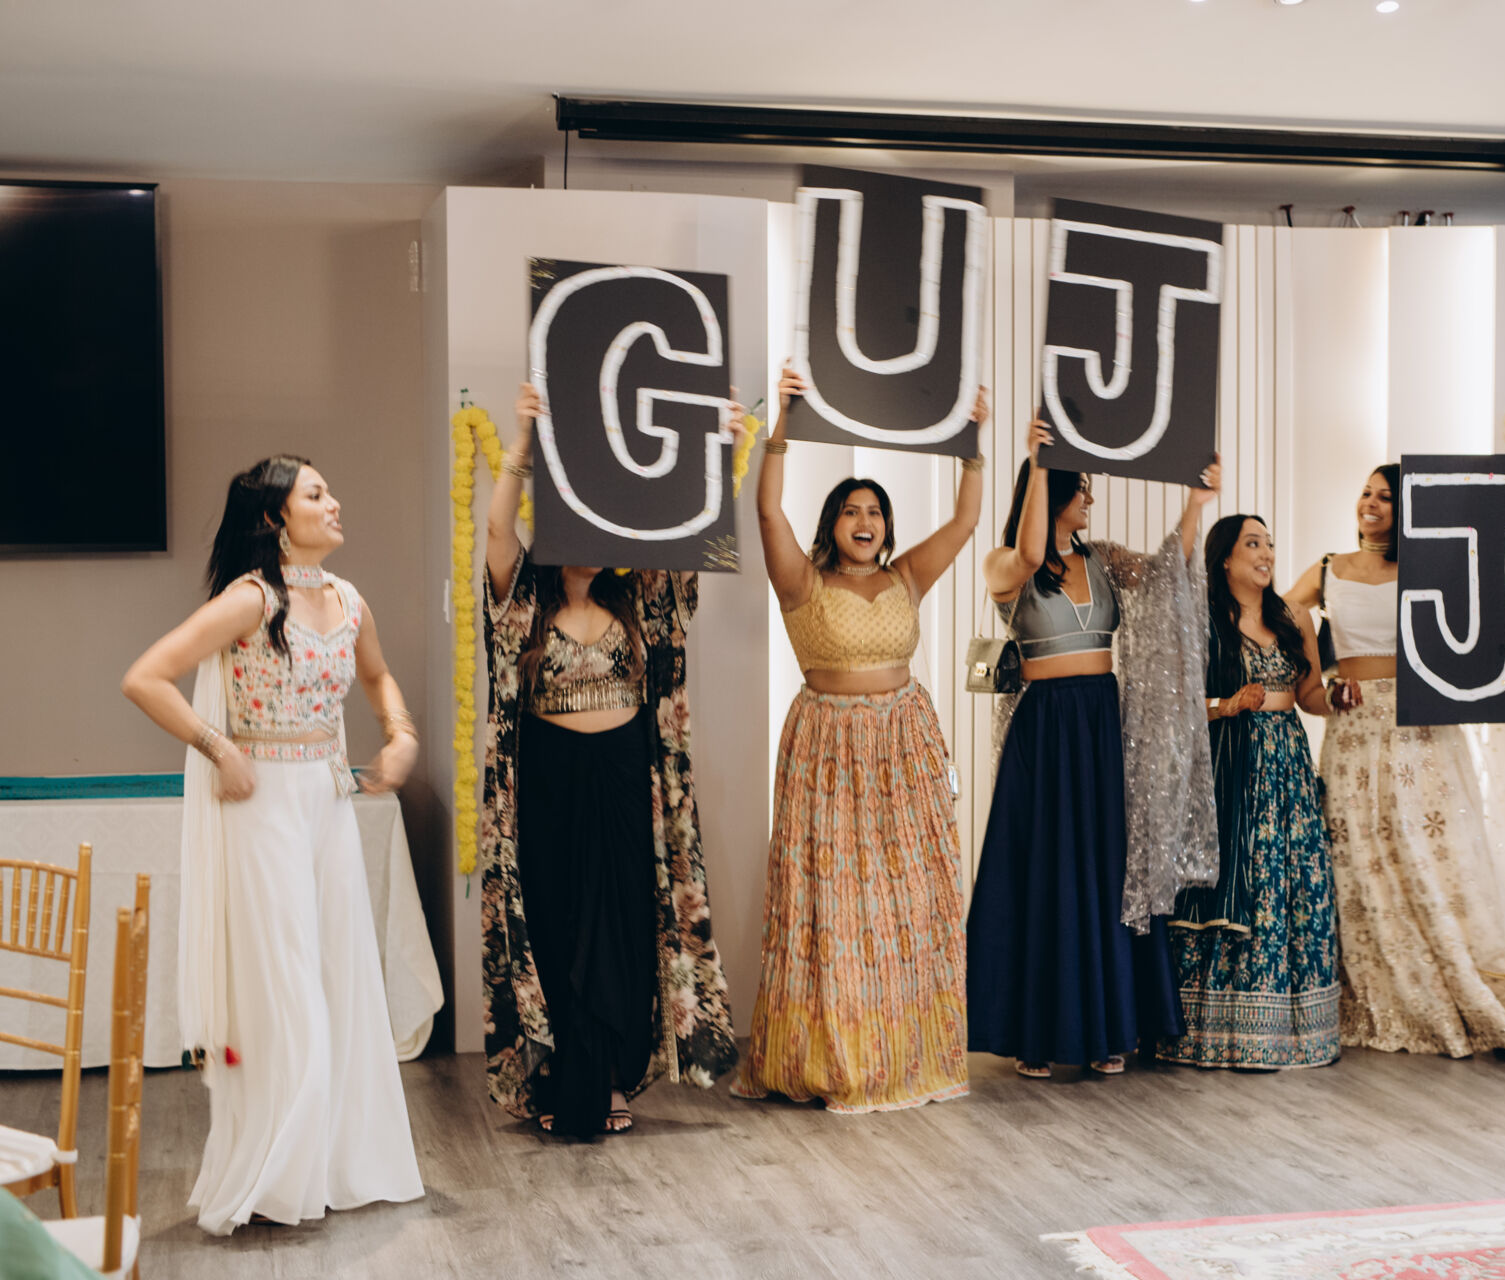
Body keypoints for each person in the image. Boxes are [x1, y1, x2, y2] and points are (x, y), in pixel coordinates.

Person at [122, 455, 422, 1233]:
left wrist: (400, 735)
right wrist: (218, 748)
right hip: (264, 810)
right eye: (315, 494)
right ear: (274, 518)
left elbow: (378, 678)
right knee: (286, 984)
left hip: (327, 800)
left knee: (339, 973)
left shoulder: (349, 600)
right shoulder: (251, 600)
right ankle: (276, 1170)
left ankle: (334, 1164)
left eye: (329, 490)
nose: (334, 502)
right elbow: (146, 677)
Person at [479, 383, 741, 1137]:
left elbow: (697, 542)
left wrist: (717, 447)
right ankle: (562, 1078)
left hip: (625, 777)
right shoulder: (524, 603)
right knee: (557, 921)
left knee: (622, 922)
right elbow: (496, 527)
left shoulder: (642, 601)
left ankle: (613, 1079)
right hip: (550, 781)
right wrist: (522, 438)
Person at [729, 364, 985, 1113]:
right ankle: (833, 1058)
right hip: (828, 754)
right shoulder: (802, 582)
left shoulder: (907, 577)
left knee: (910, 901)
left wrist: (973, 443)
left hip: (904, 750)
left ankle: (905, 1056)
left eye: (874, 510)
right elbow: (767, 510)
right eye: (851, 510)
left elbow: (965, 523)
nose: (864, 520)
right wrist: (783, 422)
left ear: (887, 526)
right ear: (832, 524)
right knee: (834, 906)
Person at [1286, 463, 1505, 1058]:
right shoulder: (1326, 570)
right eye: (1365, 492)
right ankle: (1379, 998)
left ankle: (1484, 1004)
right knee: (1360, 865)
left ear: (1407, 509)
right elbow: (1270, 618)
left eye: (1385, 497)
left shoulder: (1432, 567)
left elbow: (1497, 604)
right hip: (1353, 732)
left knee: (1436, 862)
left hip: (1420, 726)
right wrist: (1321, 676)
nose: (1370, 503)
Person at [967, 415, 1219, 1079]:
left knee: (1106, 868)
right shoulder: (1004, 563)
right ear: (1051, 491)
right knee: (1047, 872)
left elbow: (1165, 576)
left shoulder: (1100, 558)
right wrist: (1038, 460)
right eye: (1080, 487)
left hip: (1101, 722)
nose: (1091, 497)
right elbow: (1028, 557)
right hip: (1045, 728)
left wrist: (1195, 505)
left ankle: (1108, 1028)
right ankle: (1040, 1036)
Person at [1160, 513, 1342, 1070]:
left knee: (1294, 882)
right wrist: (1227, 705)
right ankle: (1219, 1032)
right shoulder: (1204, 622)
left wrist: (1340, 697)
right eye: (1253, 544)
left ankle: (1295, 1032)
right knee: (1246, 883)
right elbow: (1171, 704)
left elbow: (1309, 695)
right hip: (1231, 769)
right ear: (1225, 560)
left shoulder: (1293, 617)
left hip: (1288, 767)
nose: (1266, 554)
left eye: (1269, 544)